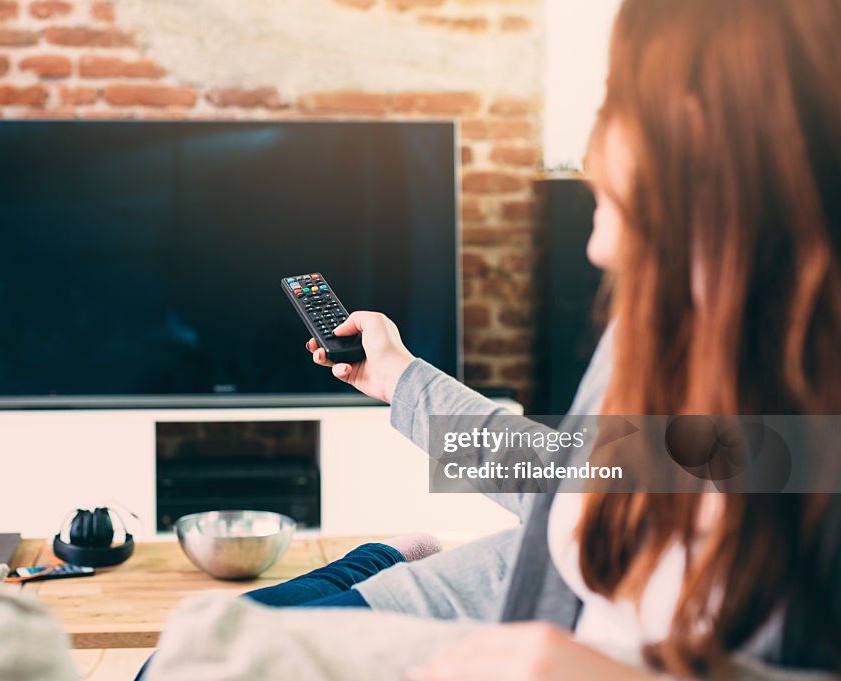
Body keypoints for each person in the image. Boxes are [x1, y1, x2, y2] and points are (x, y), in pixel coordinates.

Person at [243, 0, 841, 678]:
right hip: (472, 603)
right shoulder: (659, 326)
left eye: (614, 103)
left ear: (698, 132)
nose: (588, 152)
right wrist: (397, 376)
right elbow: (565, 475)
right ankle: (381, 557)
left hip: (490, 634)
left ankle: (379, 556)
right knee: (181, 654)